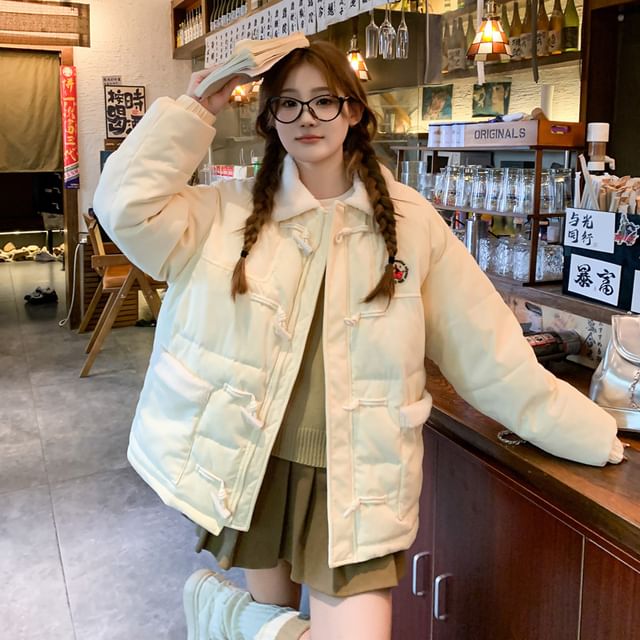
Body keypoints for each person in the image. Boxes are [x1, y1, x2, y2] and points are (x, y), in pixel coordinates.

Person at [93, 40, 625, 640]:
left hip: (360, 478)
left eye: (324, 100)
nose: (307, 118)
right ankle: (238, 619)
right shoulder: (226, 211)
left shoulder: (410, 222)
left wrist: (588, 431)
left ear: (352, 110)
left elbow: (491, 355)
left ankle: (226, 618)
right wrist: (197, 108)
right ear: (270, 118)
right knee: (276, 618)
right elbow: (123, 206)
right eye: (288, 103)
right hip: (254, 464)